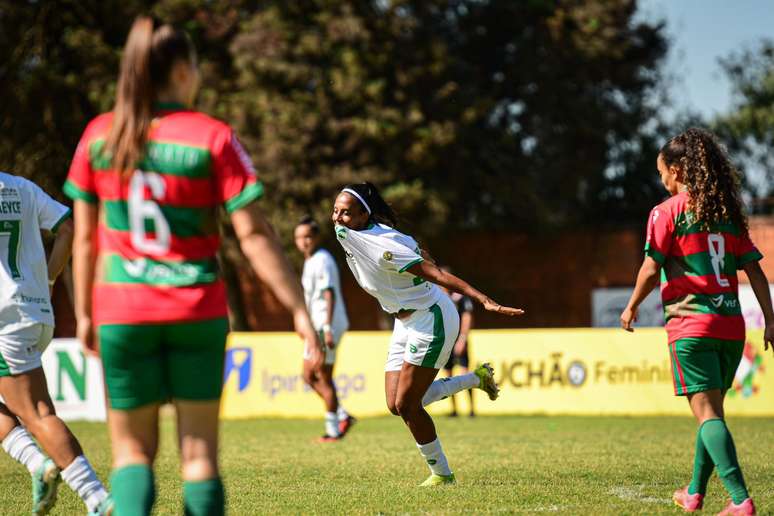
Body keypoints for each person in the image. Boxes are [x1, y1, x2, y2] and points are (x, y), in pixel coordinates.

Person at [65, 16, 321, 516]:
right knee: (199, 455)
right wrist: (298, 309)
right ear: (182, 71)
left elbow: (85, 242)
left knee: (131, 454)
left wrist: (85, 315)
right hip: (196, 308)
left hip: (122, 310)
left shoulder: (99, 136)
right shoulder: (212, 137)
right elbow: (253, 234)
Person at [620, 128, 773, 516]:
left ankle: (740, 501)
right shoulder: (725, 214)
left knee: (706, 414)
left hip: (692, 326)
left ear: (677, 170)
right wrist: (770, 321)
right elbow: (755, 272)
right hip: (731, 327)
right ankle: (694, 493)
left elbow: (651, 268)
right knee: (712, 412)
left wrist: (632, 304)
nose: (663, 181)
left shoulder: (666, 212)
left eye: (662, 173)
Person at [331, 182, 524, 486]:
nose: (337, 218)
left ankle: (442, 474)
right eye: (335, 211)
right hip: (404, 322)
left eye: (345, 213)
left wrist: (484, 299)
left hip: (432, 319)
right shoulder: (352, 233)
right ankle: (476, 379)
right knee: (395, 404)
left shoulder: (384, 247)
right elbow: (417, 247)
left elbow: (436, 274)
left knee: (408, 406)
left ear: (363, 216)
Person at [0, 171, 112, 515]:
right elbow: (69, 227)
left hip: (5, 319)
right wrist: (48, 277)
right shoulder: (22, 188)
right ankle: (37, 464)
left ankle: (99, 500)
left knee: (36, 412)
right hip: (35, 310)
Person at [294, 215, 356, 441]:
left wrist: (327, 328)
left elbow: (328, 293)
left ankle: (333, 430)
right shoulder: (310, 261)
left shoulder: (322, 260)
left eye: (308, 236)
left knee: (322, 375)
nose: (304, 241)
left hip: (325, 325)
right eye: (300, 237)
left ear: (316, 238)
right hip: (317, 325)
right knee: (309, 375)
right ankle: (341, 415)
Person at [438, 266, 476, 417]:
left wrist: (462, 338)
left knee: (465, 374)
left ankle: (472, 409)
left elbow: (467, 317)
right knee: (448, 376)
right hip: (445, 341)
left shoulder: (460, 297)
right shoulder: (438, 297)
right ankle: (454, 410)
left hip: (459, 340)